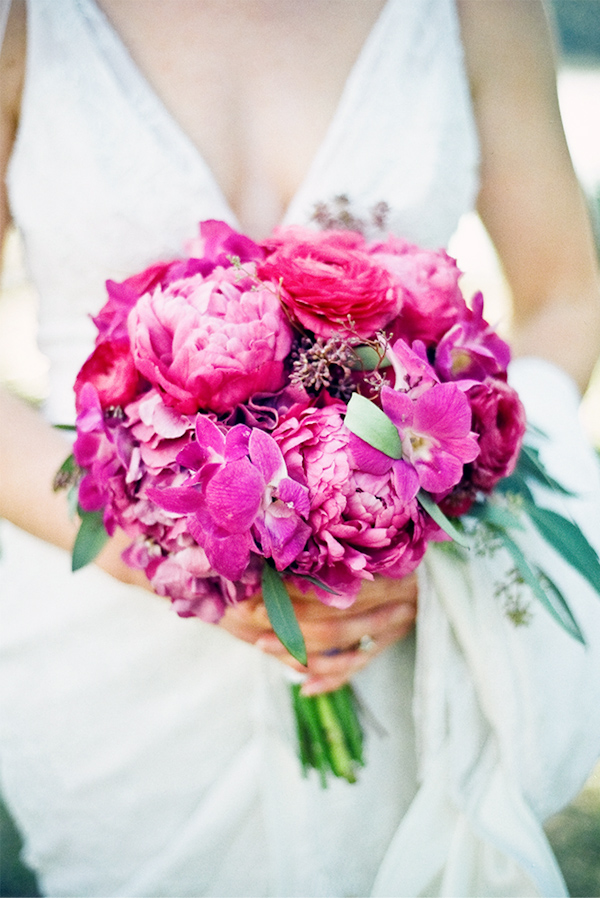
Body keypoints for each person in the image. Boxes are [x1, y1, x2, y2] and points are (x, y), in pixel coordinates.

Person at [0, 1, 599, 895]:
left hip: (396, 624)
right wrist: (168, 559)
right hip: (111, 656)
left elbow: (563, 292)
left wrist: (413, 518)